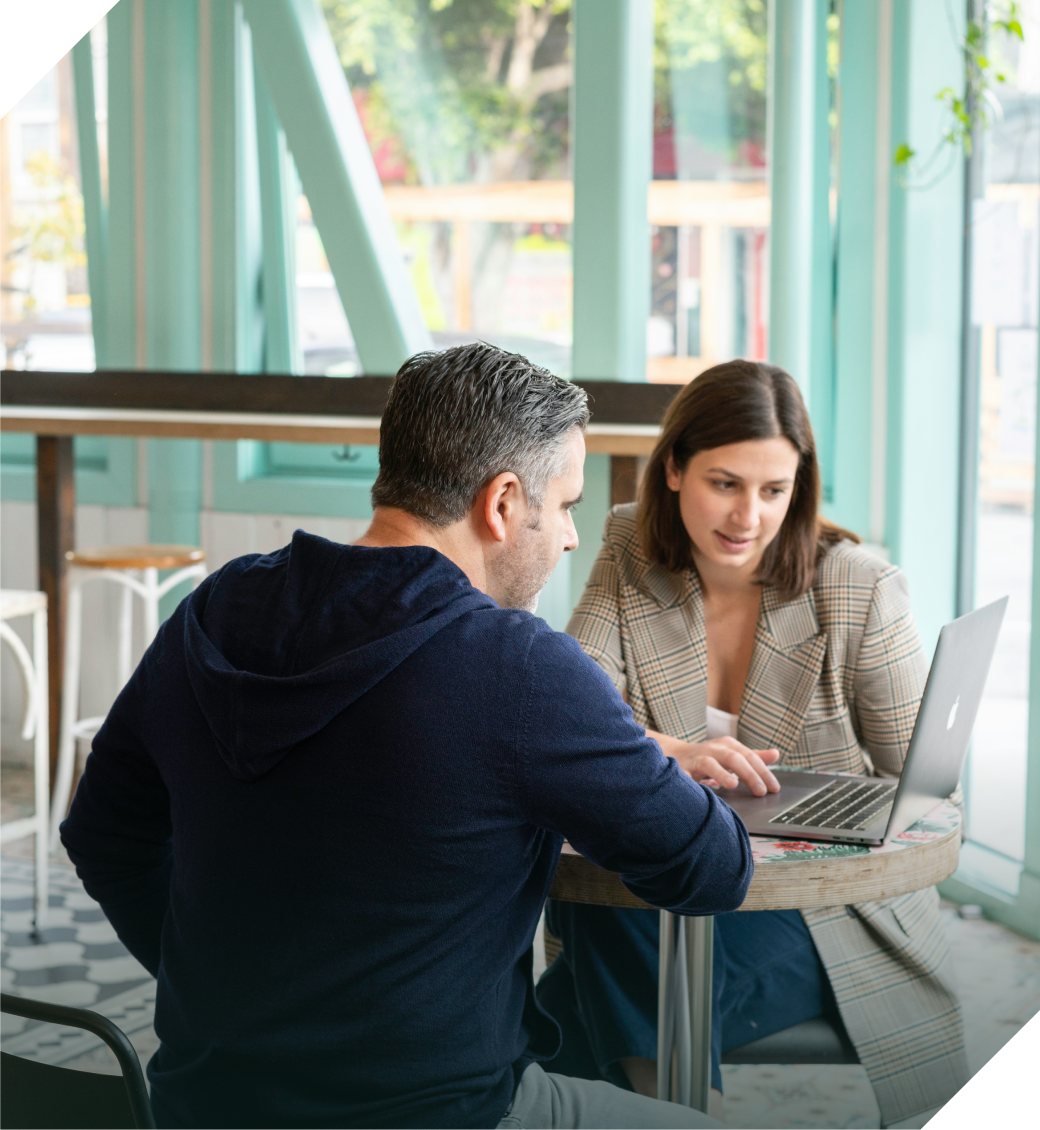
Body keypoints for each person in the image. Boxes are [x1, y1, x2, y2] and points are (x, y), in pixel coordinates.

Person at [60, 343, 746, 1130]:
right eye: (564, 506)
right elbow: (711, 868)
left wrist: (219, 994)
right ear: (502, 502)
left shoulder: (214, 610)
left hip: (203, 1104)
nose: (567, 538)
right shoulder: (516, 666)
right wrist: (631, 747)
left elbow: (103, 834)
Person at [536, 360, 969, 1128]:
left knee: (546, 1015)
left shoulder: (857, 587)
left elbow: (927, 792)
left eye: (776, 490)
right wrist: (664, 749)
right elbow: (573, 710)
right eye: (726, 483)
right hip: (671, 887)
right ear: (673, 469)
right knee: (622, 911)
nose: (749, 517)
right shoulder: (631, 545)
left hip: (822, 913)